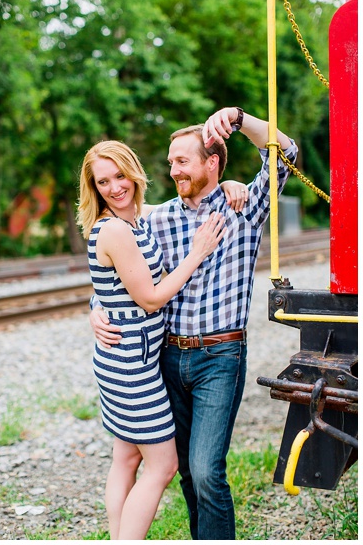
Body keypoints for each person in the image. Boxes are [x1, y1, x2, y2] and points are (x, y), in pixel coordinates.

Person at [90, 107, 299, 540]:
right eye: (170, 163)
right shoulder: (156, 217)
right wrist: (95, 306)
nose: (172, 170)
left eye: (181, 161)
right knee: (184, 471)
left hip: (220, 357)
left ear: (213, 162)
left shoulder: (244, 209)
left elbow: (286, 153)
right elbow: (120, 271)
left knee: (206, 471)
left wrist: (239, 120)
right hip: (165, 356)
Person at [78, 140, 227, 539]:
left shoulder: (137, 219)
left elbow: (112, 286)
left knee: (126, 457)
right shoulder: (114, 230)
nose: (114, 187)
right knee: (163, 466)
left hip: (127, 356)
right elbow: (150, 298)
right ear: (94, 188)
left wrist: (229, 186)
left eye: (119, 175)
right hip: (130, 365)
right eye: (103, 182)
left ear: (133, 172)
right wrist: (197, 253)